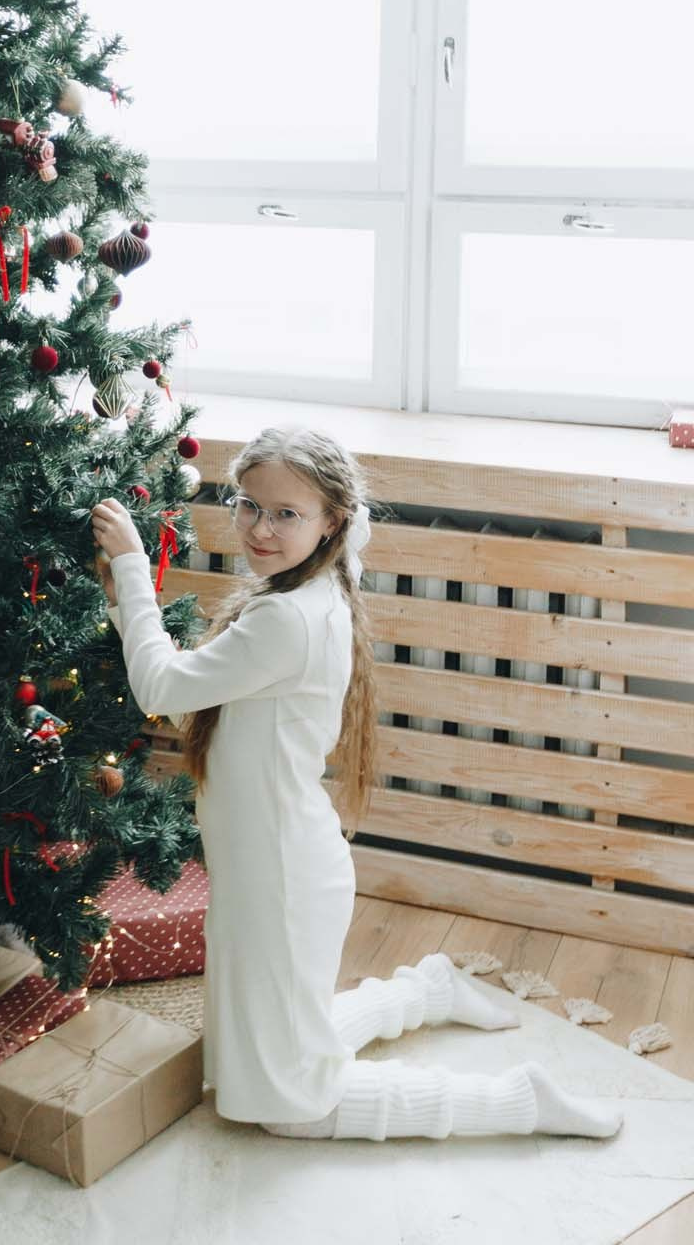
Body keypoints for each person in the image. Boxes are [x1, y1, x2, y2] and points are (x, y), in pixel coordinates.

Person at [90, 425, 622, 1143]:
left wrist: (130, 568)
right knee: (254, 1065)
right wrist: (127, 600)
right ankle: (425, 991)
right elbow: (194, 680)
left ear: (331, 522)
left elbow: (162, 685)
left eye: (286, 513)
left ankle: (518, 1102)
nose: (260, 528)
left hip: (283, 877)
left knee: (290, 1108)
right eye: (249, 505)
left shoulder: (287, 618)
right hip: (266, 868)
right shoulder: (308, 587)